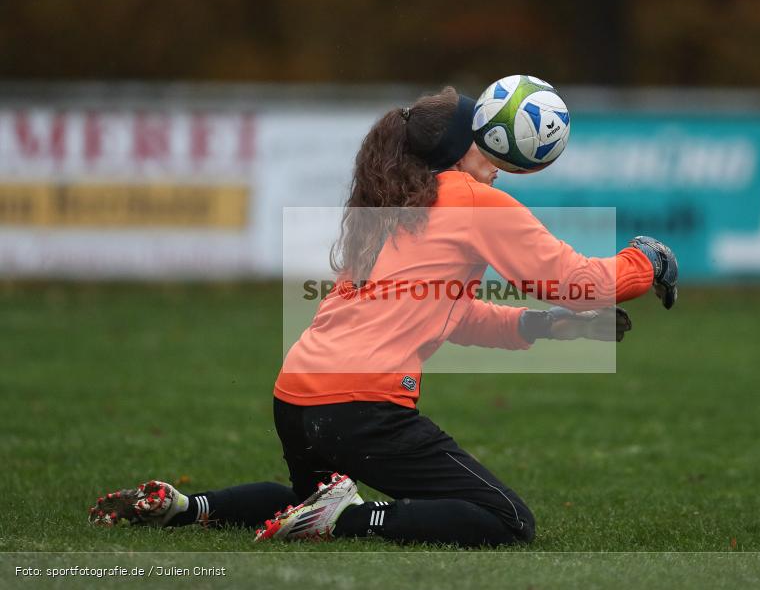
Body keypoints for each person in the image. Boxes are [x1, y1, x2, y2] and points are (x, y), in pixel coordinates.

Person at [89, 87, 678, 547]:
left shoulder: (399, 205)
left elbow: (456, 316)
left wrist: (546, 326)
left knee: (302, 501)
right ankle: (344, 522)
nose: (495, 156)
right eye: (482, 141)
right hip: (361, 408)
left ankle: (191, 508)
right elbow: (580, 283)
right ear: (455, 151)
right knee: (506, 520)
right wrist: (645, 261)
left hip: (296, 397)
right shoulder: (468, 198)